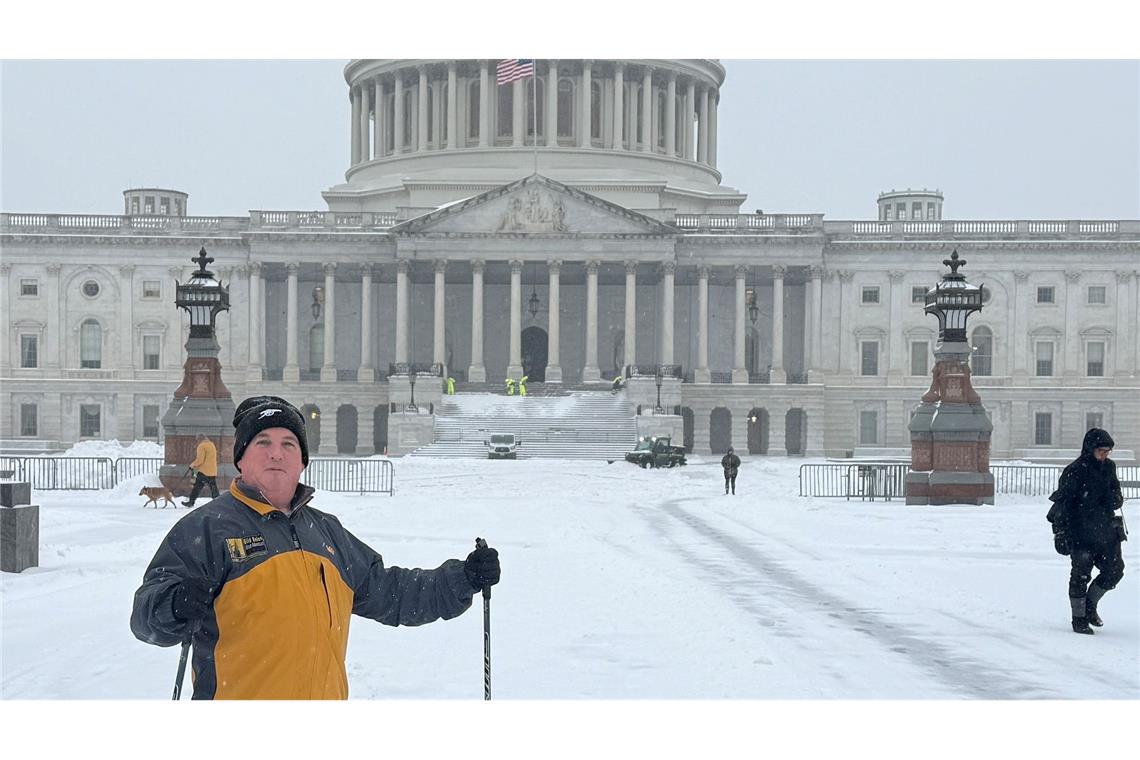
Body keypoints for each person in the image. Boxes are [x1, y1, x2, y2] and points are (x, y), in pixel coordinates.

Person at [131, 395, 501, 699]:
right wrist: (173, 605)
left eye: (288, 444)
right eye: (263, 443)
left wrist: (462, 579)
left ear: (302, 462)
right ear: (240, 458)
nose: (276, 454)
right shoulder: (206, 528)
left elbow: (392, 592)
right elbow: (145, 619)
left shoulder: (326, 532)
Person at [1047, 428, 1125, 635]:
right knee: (1080, 576)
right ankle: (1079, 618)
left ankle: (1090, 605)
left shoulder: (1109, 467)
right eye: (1101, 451)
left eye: (1107, 452)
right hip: (1080, 531)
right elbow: (1062, 503)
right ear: (1090, 449)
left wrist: (1115, 498)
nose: (1104, 455)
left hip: (1106, 530)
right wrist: (1060, 532)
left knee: (1114, 570)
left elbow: (1116, 492)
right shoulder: (1075, 470)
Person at [181, 433, 218, 508]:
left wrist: (192, 465)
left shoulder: (202, 446)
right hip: (212, 470)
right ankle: (218, 501)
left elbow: (200, 460)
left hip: (203, 471)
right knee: (213, 488)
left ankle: (191, 502)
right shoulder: (211, 445)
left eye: (197, 440)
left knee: (197, 487)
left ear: (199, 439)